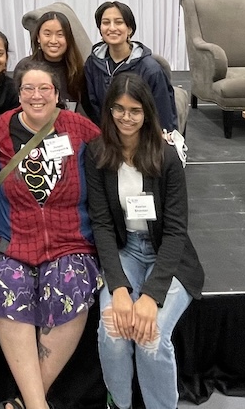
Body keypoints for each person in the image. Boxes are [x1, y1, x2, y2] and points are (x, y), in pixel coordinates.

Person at [0, 60, 103, 409]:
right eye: (28, 89)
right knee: (9, 285)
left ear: (57, 94)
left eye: (44, 88)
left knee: (71, 285)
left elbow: (115, 157)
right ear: (18, 95)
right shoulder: (0, 130)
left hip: (69, 240)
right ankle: (37, 405)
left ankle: (27, 403)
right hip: (10, 239)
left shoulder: (80, 129)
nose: (36, 95)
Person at [84, 73, 204, 409]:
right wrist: (119, 289)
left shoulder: (166, 158)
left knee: (151, 339)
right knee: (113, 331)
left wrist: (151, 295)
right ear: (108, 111)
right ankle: (118, 403)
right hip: (125, 252)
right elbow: (102, 225)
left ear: (147, 113)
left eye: (134, 110)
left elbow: (177, 231)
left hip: (169, 256)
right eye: (118, 109)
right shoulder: (97, 154)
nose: (126, 117)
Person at [84, 1, 177, 131]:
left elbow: (163, 115)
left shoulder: (150, 69)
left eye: (118, 22)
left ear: (130, 29)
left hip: (142, 137)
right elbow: (92, 107)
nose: (112, 28)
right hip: (106, 136)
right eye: (106, 23)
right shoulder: (92, 64)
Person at [14, 11, 91, 117]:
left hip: (70, 128)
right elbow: (15, 109)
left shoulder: (77, 69)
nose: (53, 40)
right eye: (47, 34)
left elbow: (87, 110)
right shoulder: (25, 68)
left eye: (60, 34)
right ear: (38, 37)